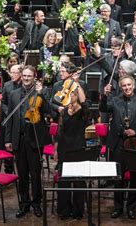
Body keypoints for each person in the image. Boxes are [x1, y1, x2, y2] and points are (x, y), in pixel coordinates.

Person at [100, 75, 136, 220]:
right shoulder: (115, 100)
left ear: (133, 85)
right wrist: (105, 95)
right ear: (121, 87)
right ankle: (118, 208)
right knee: (118, 178)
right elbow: (103, 108)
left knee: (135, 178)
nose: (127, 88)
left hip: (135, 144)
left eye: (129, 85)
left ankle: (131, 207)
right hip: (118, 144)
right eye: (124, 86)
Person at [5, 66, 51, 218]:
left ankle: (37, 203)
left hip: (35, 139)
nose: (25, 78)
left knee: (35, 174)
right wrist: (8, 139)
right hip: (19, 139)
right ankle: (24, 203)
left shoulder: (41, 92)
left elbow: (49, 112)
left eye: (29, 76)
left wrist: (41, 95)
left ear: (34, 77)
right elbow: (10, 119)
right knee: (22, 174)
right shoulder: (13, 94)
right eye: (24, 75)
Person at [55, 86, 88, 220]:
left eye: (72, 94)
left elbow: (84, 102)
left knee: (79, 181)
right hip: (64, 149)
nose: (70, 96)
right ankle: (64, 210)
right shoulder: (63, 112)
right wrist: (56, 149)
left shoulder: (83, 112)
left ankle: (78, 211)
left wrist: (76, 84)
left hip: (79, 148)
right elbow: (59, 132)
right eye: (69, 94)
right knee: (64, 181)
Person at [0, 64, 22, 174]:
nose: (12, 75)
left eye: (14, 72)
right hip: (9, 120)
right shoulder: (7, 85)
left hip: (20, 120)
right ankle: (8, 170)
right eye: (11, 72)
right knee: (8, 145)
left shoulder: (24, 85)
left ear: (21, 73)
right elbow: (3, 102)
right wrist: (9, 111)